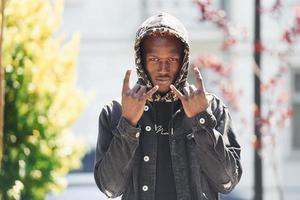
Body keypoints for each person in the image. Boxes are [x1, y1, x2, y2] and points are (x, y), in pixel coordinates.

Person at [94, 12, 242, 200]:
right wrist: (128, 124)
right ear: (141, 60)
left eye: (172, 59)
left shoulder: (211, 108)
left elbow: (227, 181)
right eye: (154, 59)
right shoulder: (115, 112)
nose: (163, 69)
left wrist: (201, 120)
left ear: (184, 60)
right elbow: (110, 188)